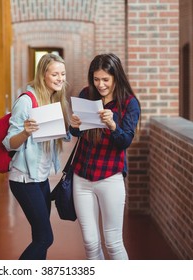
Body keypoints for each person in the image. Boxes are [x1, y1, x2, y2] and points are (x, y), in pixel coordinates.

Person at [69, 53, 141, 260]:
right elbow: (77, 134)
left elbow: (125, 141)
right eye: (96, 79)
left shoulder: (129, 103)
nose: (100, 84)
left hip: (110, 177)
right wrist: (74, 126)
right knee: (90, 243)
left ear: (116, 77)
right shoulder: (86, 94)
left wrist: (112, 125)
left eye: (105, 80)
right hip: (82, 176)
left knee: (113, 242)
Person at [2, 53, 71, 260]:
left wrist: (70, 126)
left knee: (39, 237)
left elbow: (59, 135)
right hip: (24, 180)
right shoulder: (26, 101)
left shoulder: (53, 99)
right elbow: (9, 142)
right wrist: (26, 132)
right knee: (45, 238)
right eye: (55, 74)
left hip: (41, 180)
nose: (60, 78)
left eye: (63, 74)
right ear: (43, 75)